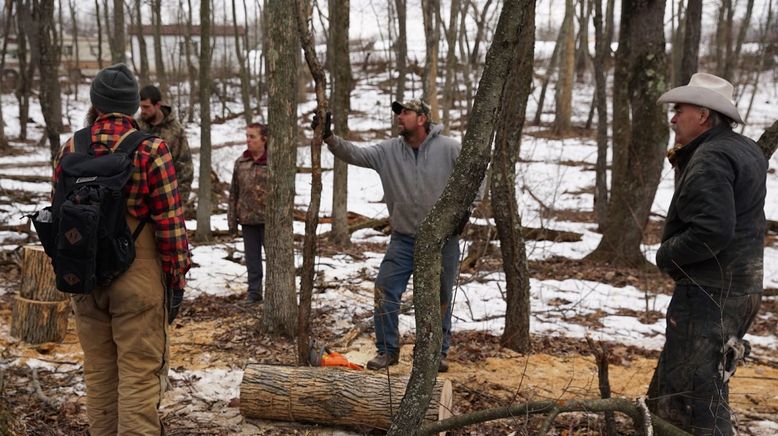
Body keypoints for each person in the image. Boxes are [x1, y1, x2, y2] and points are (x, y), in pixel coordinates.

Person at [53, 64, 191, 435]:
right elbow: (170, 224)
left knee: (99, 375)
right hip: (138, 279)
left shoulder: (71, 147)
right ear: (131, 106)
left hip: (84, 275)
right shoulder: (151, 149)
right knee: (139, 378)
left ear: (95, 104)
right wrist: (176, 281)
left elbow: (58, 213)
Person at [648, 72, 767, 435]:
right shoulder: (743, 148)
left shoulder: (711, 157)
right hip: (738, 289)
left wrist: (667, 255)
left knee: (698, 399)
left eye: (678, 110)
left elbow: (713, 229)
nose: (672, 118)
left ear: (702, 115)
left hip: (710, 293)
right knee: (672, 393)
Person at [312, 99, 463, 373]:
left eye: (405, 112)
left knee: (439, 296)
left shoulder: (450, 148)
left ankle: (435, 353)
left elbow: (476, 175)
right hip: (403, 238)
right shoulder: (388, 151)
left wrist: (465, 211)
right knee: (385, 290)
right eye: (398, 113)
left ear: (422, 119)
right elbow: (355, 154)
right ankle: (387, 350)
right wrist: (328, 138)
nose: (399, 117)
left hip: (443, 240)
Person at [227, 123, 269, 303]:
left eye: (252, 137)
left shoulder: (273, 161)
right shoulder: (241, 162)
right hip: (247, 219)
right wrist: (232, 221)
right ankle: (254, 293)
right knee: (252, 261)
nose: (248, 140)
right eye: (247, 136)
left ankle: (276, 295)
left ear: (264, 139)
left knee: (275, 261)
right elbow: (233, 193)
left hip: (270, 221)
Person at [138, 85, 194, 210]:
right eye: (141, 107)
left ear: (158, 105)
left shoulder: (175, 131)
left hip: (166, 199)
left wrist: (180, 203)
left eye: (146, 107)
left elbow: (185, 168)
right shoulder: (137, 127)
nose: (143, 111)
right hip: (138, 201)